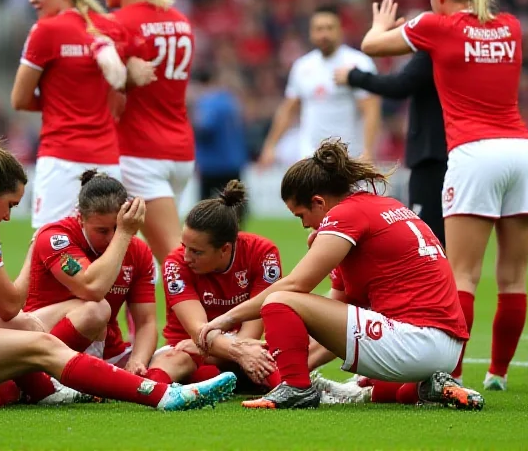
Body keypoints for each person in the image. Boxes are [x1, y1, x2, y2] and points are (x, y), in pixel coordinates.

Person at [0, 131, 236, 410]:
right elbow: (9, 305)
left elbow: (21, 317)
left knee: (32, 329)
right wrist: (33, 255)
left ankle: (45, 390)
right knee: (41, 343)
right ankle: (162, 395)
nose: (9, 217)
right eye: (10, 204)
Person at [360, 0, 528, 391]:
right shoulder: (511, 27)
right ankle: (497, 373)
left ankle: (451, 374)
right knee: (514, 276)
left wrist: (380, 22)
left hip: (474, 154)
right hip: (522, 150)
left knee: (462, 275)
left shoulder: (435, 25)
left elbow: (372, 46)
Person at [198, 140, 484, 411]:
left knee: (280, 300)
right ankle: (426, 388)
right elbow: (337, 313)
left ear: (319, 202)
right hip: (445, 351)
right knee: (382, 389)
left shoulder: (345, 215)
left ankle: (296, 389)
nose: (304, 225)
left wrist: (226, 319)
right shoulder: (384, 205)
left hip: (414, 340)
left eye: (301, 215)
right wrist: (288, 355)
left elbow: (298, 285)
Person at [0, 170, 157, 374]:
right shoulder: (55, 237)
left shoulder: (138, 251)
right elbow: (92, 288)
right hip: (44, 337)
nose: (111, 238)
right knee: (95, 310)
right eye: (102, 231)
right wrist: (124, 233)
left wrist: (137, 361)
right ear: (80, 219)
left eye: (117, 228)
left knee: (171, 359)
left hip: (108, 349)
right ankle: (36, 371)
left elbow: (146, 321)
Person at [11, 0, 147, 229]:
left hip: (61, 157)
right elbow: (139, 73)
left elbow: (19, 99)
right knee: (105, 249)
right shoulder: (111, 27)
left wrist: (57, 101)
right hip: (108, 159)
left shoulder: (45, 31)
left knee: (48, 246)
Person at [96, 0, 195, 264]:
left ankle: (208, 316)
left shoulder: (117, 24)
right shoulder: (181, 22)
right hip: (179, 150)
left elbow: (107, 95)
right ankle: (152, 319)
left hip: (140, 150)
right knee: (145, 256)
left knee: (173, 258)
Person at [142, 181, 282, 391]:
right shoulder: (175, 263)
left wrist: (220, 350)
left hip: (234, 350)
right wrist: (231, 350)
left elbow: (250, 334)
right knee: (172, 359)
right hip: (188, 353)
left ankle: (296, 391)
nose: (187, 257)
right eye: (184, 246)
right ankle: (151, 391)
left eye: (197, 252)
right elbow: (198, 330)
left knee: (278, 354)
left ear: (225, 249)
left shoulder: (263, 254)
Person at [333, 51, 447, 244]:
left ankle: (437, 274)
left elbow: (400, 84)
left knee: (428, 236)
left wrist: (354, 76)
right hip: (462, 149)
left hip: (433, 155)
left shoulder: (434, 47)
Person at [259, 5, 381, 167]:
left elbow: (371, 109)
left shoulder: (358, 64)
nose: (324, 34)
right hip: (310, 156)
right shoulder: (302, 66)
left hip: (348, 156)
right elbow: (288, 109)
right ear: (311, 33)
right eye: (319, 29)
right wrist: (270, 145)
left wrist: (368, 151)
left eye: (330, 28)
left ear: (340, 30)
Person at [191, 69, 248, 206]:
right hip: (234, 161)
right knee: (235, 203)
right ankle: (237, 227)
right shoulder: (230, 100)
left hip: (213, 164)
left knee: (206, 205)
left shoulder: (207, 102)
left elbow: (205, 127)